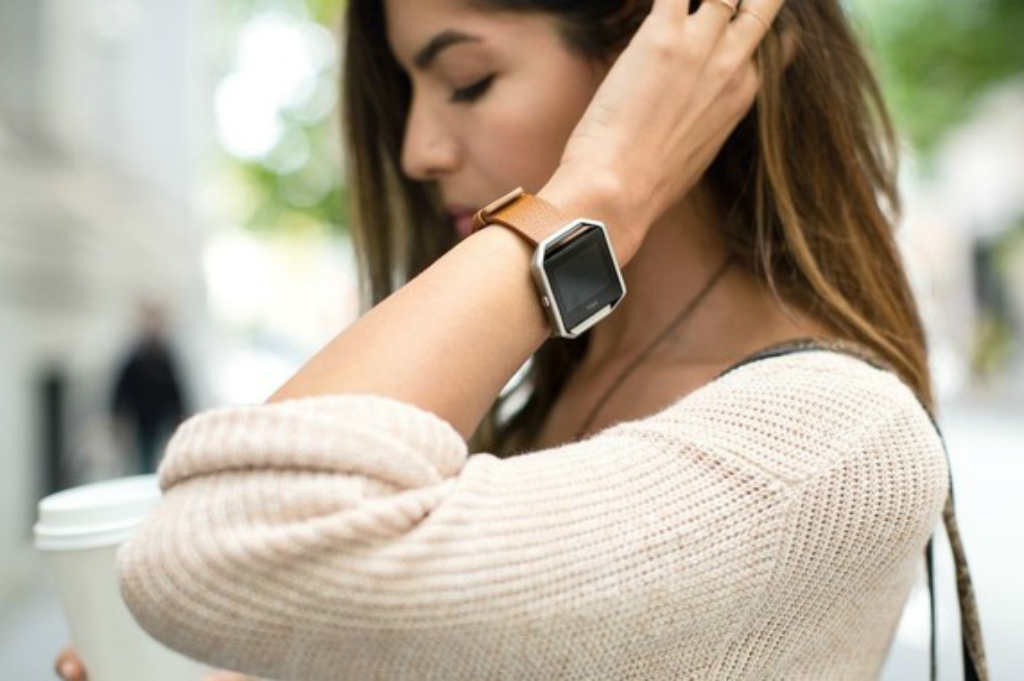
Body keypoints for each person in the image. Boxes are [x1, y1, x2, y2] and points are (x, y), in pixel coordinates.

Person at [57, 0, 987, 679]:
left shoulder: (834, 439)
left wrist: (599, 192)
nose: (417, 149)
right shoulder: (542, 399)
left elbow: (216, 536)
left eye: (467, 80)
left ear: (662, 65)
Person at [110, 301, 189, 474]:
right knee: (142, 455)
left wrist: (180, 416)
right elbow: (122, 388)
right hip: (141, 418)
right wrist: (117, 417)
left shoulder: (166, 356)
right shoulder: (136, 356)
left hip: (161, 417)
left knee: (161, 453)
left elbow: (175, 390)